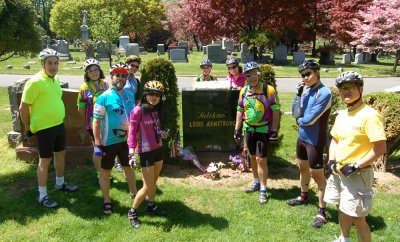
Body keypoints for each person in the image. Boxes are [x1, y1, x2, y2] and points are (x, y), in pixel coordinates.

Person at [324, 71, 386, 242]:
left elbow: (380, 147)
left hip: (358, 174)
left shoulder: (370, 116)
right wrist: (331, 160)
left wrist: (356, 165)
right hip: (339, 171)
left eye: (350, 87)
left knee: (358, 218)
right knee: (342, 208)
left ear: (361, 89)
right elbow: (336, 140)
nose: (346, 92)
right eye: (343, 88)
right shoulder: (343, 115)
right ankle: (344, 238)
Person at [19, 48, 78, 208]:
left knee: (60, 155)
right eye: (49, 63)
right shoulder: (35, 82)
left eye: (55, 63)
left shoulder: (55, 79)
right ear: (43, 64)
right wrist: (27, 127)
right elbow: (23, 108)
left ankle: (60, 184)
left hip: (58, 125)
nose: (53, 66)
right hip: (44, 128)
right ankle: (42, 195)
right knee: (45, 161)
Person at [287, 59, 332, 228]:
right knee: (302, 168)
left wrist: (300, 119)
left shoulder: (325, 93)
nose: (305, 78)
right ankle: (304, 196)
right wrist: (298, 94)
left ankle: (322, 211)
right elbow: (295, 112)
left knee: (318, 176)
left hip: (315, 140)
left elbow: (309, 119)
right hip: (302, 138)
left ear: (317, 72)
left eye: (308, 74)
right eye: (303, 75)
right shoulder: (305, 91)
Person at [92, 62, 137, 215]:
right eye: (117, 75)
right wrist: (97, 144)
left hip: (126, 142)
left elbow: (133, 117)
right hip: (108, 142)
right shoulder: (103, 97)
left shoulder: (130, 95)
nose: (121, 78)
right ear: (111, 77)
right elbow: (96, 121)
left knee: (129, 168)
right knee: (105, 172)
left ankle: (134, 194)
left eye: (124, 75)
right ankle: (106, 200)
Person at [234, 61, 280, 204]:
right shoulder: (244, 91)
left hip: (263, 129)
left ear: (259, 74)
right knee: (252, 157)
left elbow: (276, 111)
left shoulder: (268, 90)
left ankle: (263, 189)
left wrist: (274, 130)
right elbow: (240, 110)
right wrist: (237, 128)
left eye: (255, 74)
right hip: (249, 129)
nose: (252, 77)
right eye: (249, 75)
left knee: (261, 159)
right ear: (245, 76)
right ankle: (256, 182)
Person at [127, 80, 169, 229]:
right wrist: (131, 152)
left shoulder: (155, 110)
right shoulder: (138, 110)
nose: (154, 97)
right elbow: (131, 132)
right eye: (151, 94)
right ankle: (132, 212)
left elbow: (155, 129)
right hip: (145, 152)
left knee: (154, 182)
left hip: (158, 149)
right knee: (147, 185)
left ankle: (151, 205)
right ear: (145, 95)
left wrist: (161, 133)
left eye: (157, 95)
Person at [77, 58, 109, 183]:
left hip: (106, 121)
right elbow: (80, 108)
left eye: (96, 70)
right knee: (97, 148)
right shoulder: (84, 88)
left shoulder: (105, 84)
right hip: (92, 123)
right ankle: (100, 174)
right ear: (87, 73)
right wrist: (87, 121)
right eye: (91, 71)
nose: (94, 72)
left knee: (106, 146)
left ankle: (106, 171)